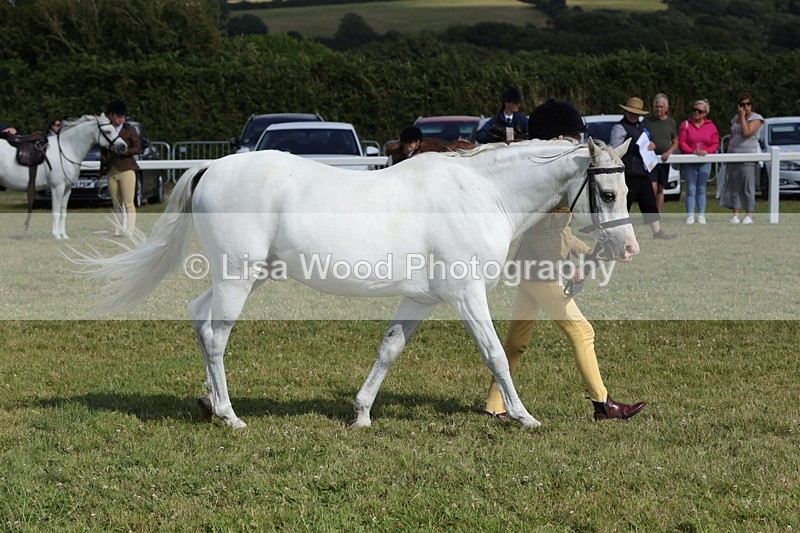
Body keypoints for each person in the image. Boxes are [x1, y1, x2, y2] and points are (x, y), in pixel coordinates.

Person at [483, 98, 646, 423]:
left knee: (516, 343)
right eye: (573, 137)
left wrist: (588, 252)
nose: (577, 142)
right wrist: (568, 268)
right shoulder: (544, 182)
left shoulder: (558, 179)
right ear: (556, 138)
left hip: (530, 269)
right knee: (582, 332)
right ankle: (603, 405)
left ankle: (494, 405)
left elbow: (561, 232)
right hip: (539, 272)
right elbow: (541, 235)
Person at [609, 97, 676, 240]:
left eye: (637, 113)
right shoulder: (619, 128)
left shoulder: (641, 127)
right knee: (624, 206)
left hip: (643, 172)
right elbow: (614, 151)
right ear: (626, 112)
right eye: (631, 112)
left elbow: (646, 143)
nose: (634, 115)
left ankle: (657, 232)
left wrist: (651, 145)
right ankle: (617, 235)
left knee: (649, 203)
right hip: (628, 174)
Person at [719, 92, 764, 224]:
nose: (745, 107)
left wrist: (743, 117)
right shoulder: (735, 118)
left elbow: (746, 132)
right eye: (742, 104)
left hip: (748, 157)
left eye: (748, 104)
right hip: (733, 156)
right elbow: (733, 135)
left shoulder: (757, 118)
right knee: (734, 185)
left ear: (752, 105)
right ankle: (735, 214)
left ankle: (749, 214)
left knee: (747, 186)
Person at [101, 99, 141, 236]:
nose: (121, 118)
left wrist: (124, 152)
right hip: (112, 170)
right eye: (118, 115)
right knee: (116, 203)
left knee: (128, 202)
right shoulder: (107, 130)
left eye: (123, 115)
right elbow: (103, 151)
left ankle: (130, 230)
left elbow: (137, 148)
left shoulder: (129, 130)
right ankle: (117, 230)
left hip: (127, 169)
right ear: (111, 115)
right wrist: (103, 166)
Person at [678, 99, 720, 225]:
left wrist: (707, 151)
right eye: (694, 110)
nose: (696, 112)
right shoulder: (685, 124)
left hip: (705, 162)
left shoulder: (711, 126)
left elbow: (715, 143)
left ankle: (701, 215)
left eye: (700, 111)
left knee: (701, 189)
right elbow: (681, 142)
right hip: (689, 162)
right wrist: (692, 151)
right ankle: (690, 215)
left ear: (705, 113)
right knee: (690, 189)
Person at [643, 94, 679, 212]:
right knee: (652, 187)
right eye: (657, 106)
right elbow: (641, 137)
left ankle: (657, 215)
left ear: (666, 108)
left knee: (660, 188)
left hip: (664, 161)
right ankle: (651, 212)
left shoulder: (671, 122)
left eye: (661, 107)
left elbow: (676, 141)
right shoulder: (647, 121)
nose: (659, 109)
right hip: (650, 160)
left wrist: (669, 152)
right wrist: (648, 143)